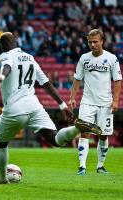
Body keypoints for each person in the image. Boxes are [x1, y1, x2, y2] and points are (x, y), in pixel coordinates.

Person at [0, 32, 101, 184]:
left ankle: (2, 178)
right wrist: (62, 105)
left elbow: (7, 66)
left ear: (2, 46)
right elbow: (46, 82)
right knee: (56, 140)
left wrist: (1, 78)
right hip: (34, 105)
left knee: (0, 144)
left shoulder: (5, 55)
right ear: (16, 41)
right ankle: (77, 128)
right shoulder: (30, 58)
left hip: (14, 108)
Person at [68, 29, 122, 175]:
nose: (92, 45)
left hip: (105, 103)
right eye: (90, 42)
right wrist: (72, 97)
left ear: (102, 41)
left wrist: (116, 101)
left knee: (103, 135)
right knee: (84, 132)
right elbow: (77, 79)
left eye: (95, 42)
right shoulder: (84, 58)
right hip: (87, 102)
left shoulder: (112, 59)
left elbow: (117, 80)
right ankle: (82, 167)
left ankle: (100, 165)